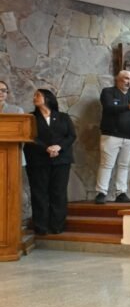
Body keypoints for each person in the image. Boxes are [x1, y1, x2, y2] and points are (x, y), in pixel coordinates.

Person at [23, 89, 76, 235]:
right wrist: (46, 148)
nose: (34, 97)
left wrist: (59, 147)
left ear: (47, 98)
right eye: (34, 95)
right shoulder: (30, 117)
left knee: (58, 192)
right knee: (39, 193)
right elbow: (29, 137)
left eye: (37, 95)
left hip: (61, 160)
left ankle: (57, 225)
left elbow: (71, 136)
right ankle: (41, 226)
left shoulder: (63, 117)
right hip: (38, 160)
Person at [94, 70, 130, 204]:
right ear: (118, 79)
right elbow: (109, 108)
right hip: (111, 135)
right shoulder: (108, 92)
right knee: (106, 164)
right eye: (126, 79)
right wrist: (129, 106)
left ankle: (121, 192)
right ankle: (101, 193)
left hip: (129, 136)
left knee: (124, 165)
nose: (129, 82)